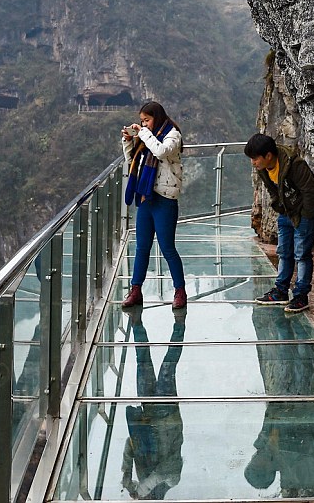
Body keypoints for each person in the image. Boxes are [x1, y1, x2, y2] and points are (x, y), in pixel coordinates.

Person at [244, 133, 314, 313]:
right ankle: (280, 291)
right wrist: (280, 207)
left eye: (255, 158)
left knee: (302, 254)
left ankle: (301, 296)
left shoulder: (294, 165)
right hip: (286, 212)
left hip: (304, 213)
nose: (253, 162)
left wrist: (305, 216)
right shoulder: (263, 169)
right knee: (284, 251)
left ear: (268, 156)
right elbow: (273, 190)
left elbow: (312, 192)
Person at [121, 101, 186, 310]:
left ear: (157, 117)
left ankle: (180, 291)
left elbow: (161, 151)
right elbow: (133, 160)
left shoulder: (172, 135)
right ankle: (136, 290)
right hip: (146, 197)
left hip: (165, 198)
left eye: (147, 120)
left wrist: (144, 134)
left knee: (167, 247)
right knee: (142, 247)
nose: (144, 124)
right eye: (142, 121)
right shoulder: (147, 138)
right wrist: (128, 142)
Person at [120, 307, 186, 499]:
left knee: (142, 360)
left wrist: (126, 472)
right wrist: (141, 489)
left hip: (148, 409)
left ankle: (136, 322)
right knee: (168, 365)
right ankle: (179, 324)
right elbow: (163, 472)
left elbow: (132, 442)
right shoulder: (173, 480)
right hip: (167, 411)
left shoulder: (142, 474)